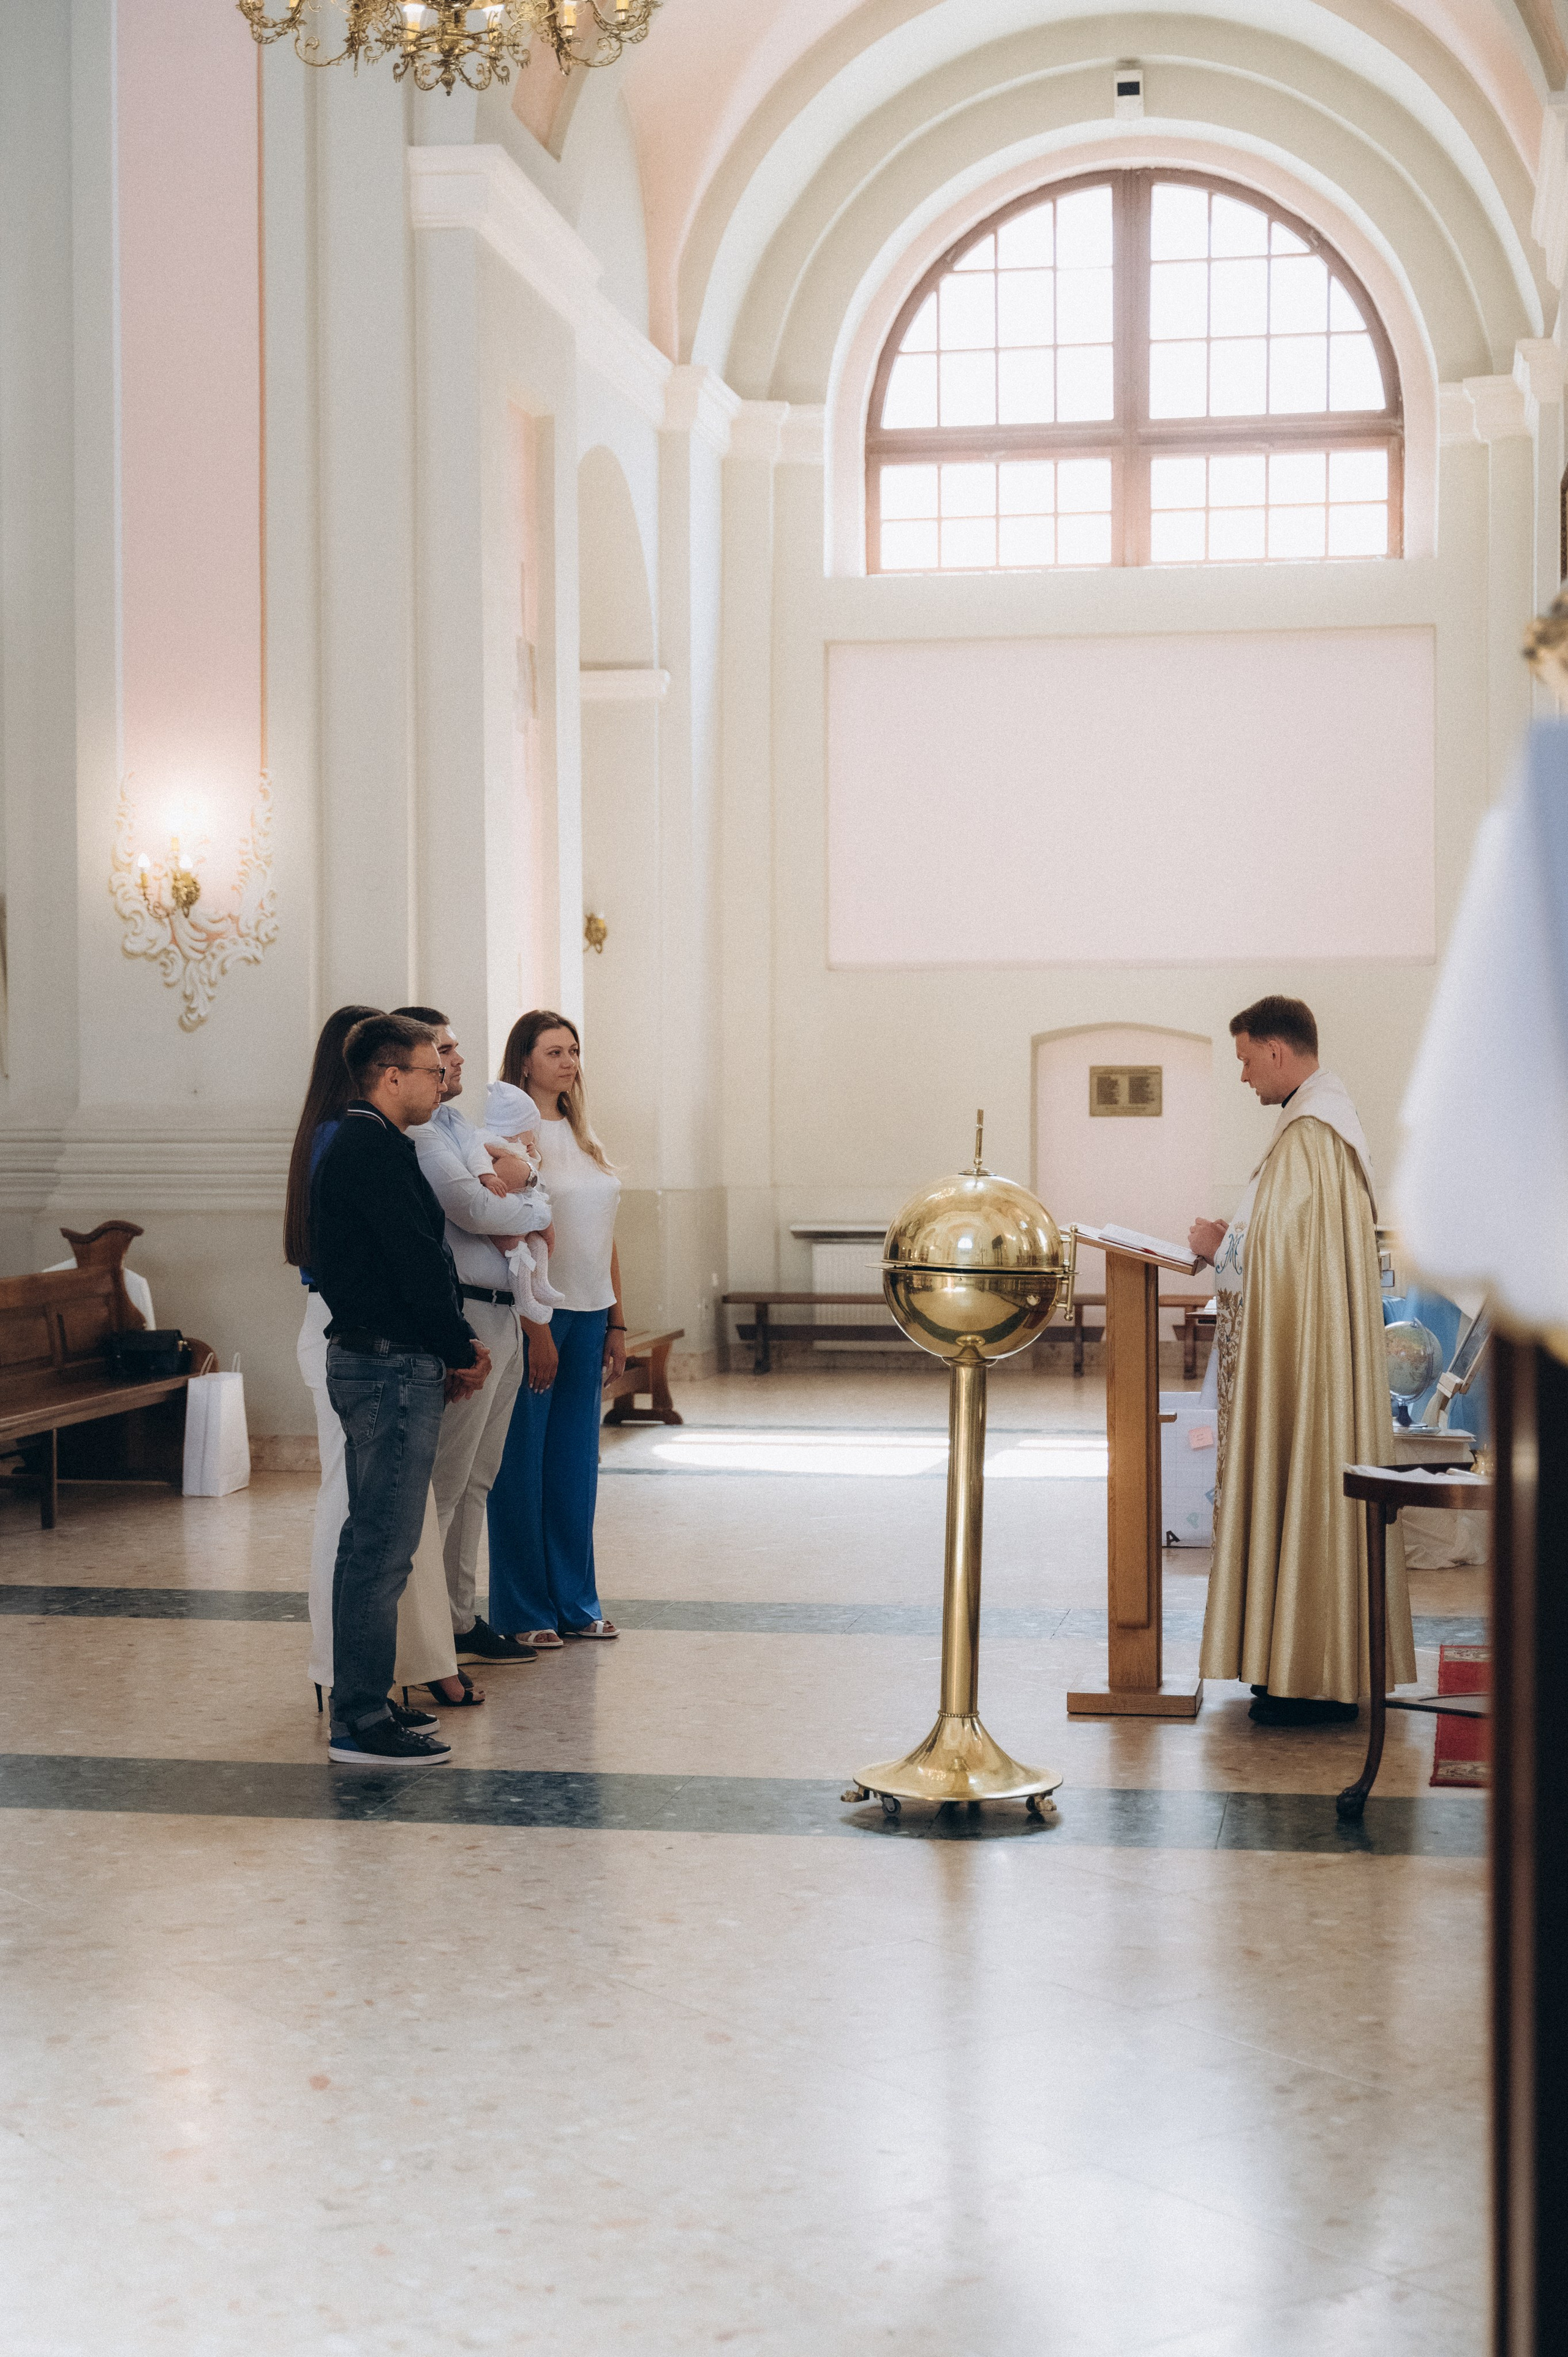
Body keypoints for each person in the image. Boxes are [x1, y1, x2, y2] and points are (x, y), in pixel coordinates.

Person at [1188, 996, 1414, 1726]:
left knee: (1308, 1475)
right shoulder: (1315, 1124)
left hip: (1305, 1362)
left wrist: (1214, 1247)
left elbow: (1276, 1256)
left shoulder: (1311, 1136)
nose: (1245, 1077)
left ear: (1278, 1053)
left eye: (1247, 1060)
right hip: (1311, 1348)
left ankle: (1310, 1672)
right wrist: (1234, 1240)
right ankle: (1292, 1661)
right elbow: (1287, 1244)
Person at [311, 1013, 491, 1768]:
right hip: (387, 1364)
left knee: (380, 1541)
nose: (442, 1078)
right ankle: (357, 1718)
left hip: (390, 1359)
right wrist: (458, 1344)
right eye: (429, 1068)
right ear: (391, 1076)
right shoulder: (370, 1150)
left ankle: (369, 1698)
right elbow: (414, 1262)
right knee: (380, 1545)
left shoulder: (374, 1144)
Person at [393, 1007, 546, 1673]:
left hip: (505, 1308)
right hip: (470, 1314)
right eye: (443, 1050)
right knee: (448, 1482)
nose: (456, 1061)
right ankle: (431, 1632)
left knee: (479, 1478)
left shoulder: (460, 1125)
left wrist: (529, 1192)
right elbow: (478, 1210)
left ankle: (459, 1615)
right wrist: (529, 1201)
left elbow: (525, 1195)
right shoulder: (426, 1136)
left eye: (455, 1048)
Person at [485, 1012, 626, 1647]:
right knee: (522, 1465)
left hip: (591, 1312)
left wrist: (618, 1319)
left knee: (575, 1466)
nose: (568, 1062)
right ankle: (522, 1609)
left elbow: (607, 1236)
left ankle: (576, 1599)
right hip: (537, 1314)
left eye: (573, 1050)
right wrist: (534, 1326)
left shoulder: (584, 1134)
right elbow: (511, 1238)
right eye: (553, 1052)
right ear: (523, 1063)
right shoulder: (512, 1139)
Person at [482, 1079, 566, 1323]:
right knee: (519, 1252)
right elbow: (509, 1173)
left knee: (538, 1244)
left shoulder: (518, 1148)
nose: (533, 1137)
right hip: (505, 1215)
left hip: (524, 1209)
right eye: (530, 1130)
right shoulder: (493, 1145)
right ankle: (525, 1300)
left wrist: (531, 1155)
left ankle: (540, 1284)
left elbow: (533, 1171)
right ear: (515, 1129)